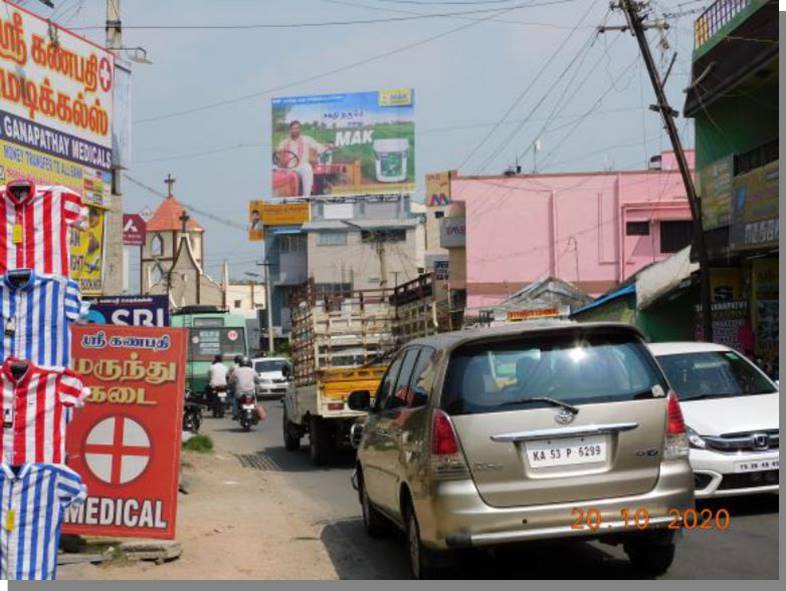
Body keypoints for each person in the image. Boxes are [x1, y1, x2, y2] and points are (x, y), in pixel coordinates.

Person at [275, 120, 334, 197]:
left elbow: (317, 146)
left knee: (307, 168)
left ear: (299, 129)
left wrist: (327, 146)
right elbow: (278, 153)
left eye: (297, 128)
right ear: (290, 130)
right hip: (288, 168)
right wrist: (279, 154)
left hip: (301, 166)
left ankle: (306, 196)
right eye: (293, 128)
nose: (295, 130)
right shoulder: (285, 142)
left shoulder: (307, 139)